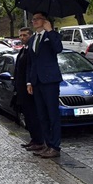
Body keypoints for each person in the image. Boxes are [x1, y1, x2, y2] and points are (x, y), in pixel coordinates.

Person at [26, 12, 63, 159]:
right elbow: (31, 62)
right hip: (37, 81)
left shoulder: (50, 35)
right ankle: (47, 144)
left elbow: (58, 48)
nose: (34, 21)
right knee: (42, 115)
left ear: (45, 21)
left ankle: (55, 146)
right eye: (33, 19)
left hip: (50, 80)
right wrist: (29, 81)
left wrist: (50, 31)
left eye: (37, 19)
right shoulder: (33, 39)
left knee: (52, 114)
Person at [13, 27, 44, 150]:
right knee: (28, 116)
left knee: (33, 115)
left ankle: (39, 140)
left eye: (25, 35)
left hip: (29, 88)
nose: (22, 38)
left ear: (30, 36)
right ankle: (34, 138)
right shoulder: (23, 49)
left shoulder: (32, 48)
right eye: (20, 35)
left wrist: (29, 83)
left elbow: (31, 68)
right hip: (21, 88)